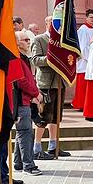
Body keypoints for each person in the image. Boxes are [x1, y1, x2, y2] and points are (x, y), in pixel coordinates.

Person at [30, 16, 71, 159]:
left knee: (56, 116)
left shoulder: (62, 41)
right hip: (46, 83)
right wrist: (51, 58)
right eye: (53, 23)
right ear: (47, 24)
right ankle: (37, 147)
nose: (56, 27)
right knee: (43, 116)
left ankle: (54, 146)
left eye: (59, 24)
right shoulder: (39, 39)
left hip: (59, 82)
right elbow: (35, 60)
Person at [14, 31, 42, 176]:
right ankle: (28, 165)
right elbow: (21, 81)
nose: (28, 41)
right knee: (25, 133)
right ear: (17, 42)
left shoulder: (23, 58)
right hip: (20, 101)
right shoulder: (17, 59)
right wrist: (36, 93)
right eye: (25, 40)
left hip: (25, 99)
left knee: (23, 132)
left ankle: (19, 162)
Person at [72, 10, 93, 110]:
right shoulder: (83, 29)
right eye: (91, 17)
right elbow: (82, 47)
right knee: (82, 85)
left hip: (91, 60)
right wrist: (89, 59)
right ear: (86, 18)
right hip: (85, 61)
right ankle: (80, 104)